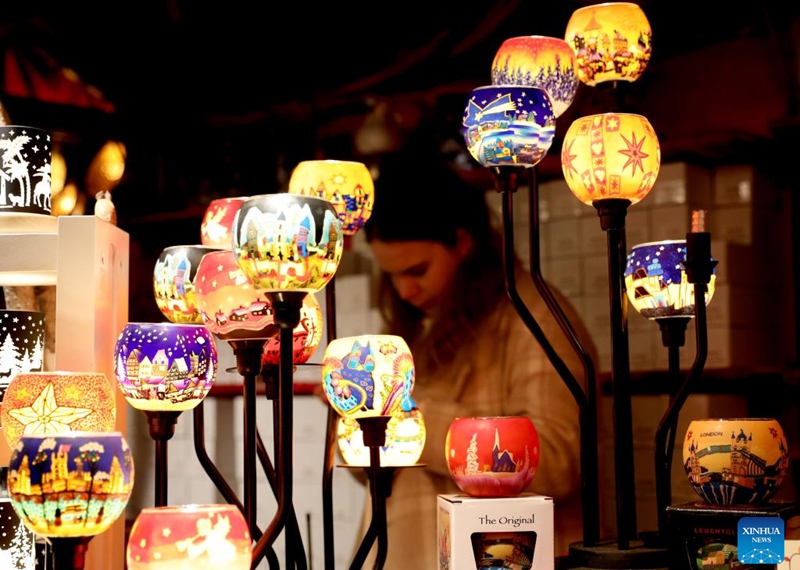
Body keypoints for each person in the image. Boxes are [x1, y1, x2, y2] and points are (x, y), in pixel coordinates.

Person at [356, 150, 597, 568]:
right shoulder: (421, 323)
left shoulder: (532, 317)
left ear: (463, 244)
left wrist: (409, 423)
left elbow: (557, 461)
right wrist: (362, 424)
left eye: (417, 271)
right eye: (391, 275)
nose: (404, 291)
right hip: (408, 551)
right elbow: (381, 475)